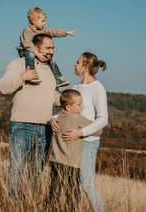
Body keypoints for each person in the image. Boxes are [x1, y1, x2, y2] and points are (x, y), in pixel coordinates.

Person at [0, 34, 61, 199]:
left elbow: (55, 96)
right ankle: (11, 204)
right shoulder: (19, 64)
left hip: (46, 127)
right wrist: (22, 77)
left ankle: (29, 204)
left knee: (37, 172)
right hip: (22, 125)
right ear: (36, 47)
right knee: (16, 168)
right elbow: (3, 87)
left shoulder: (52, 69)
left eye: (53, 48)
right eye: (48, 48)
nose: (52, 51)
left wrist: (73, 99)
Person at [50, 52, 108, 212]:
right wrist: (53, 118)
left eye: (77, 62)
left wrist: (80, 133)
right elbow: (67, 111)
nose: (74, 64)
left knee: (87, 185)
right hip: (71, 146)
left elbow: (103, 119)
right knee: (72, 188)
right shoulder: (76, 87)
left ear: (86, 67)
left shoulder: (98, 88)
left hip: (88, 144)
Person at [49, 89, 102, 210]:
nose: (82, 106)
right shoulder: (78, 118)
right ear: (69, 107)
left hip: (55, 161)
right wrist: (81, 132)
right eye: (79, 104)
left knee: (53, 192)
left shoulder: (57, 118)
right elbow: (98, 130)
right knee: (72, 195)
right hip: (71, 164)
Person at [17, 7, 76, 86]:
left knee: (52, 59)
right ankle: (31, 73)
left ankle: (58, 78)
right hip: (25, 51)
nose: (44, 23)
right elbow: (27, 43)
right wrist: (36, 53)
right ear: (34, 21)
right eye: (42, 21)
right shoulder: (27, 30)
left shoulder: (42, 29)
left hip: (37, 51)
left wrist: (66, 32)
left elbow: (53, 31)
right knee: (30, 54)